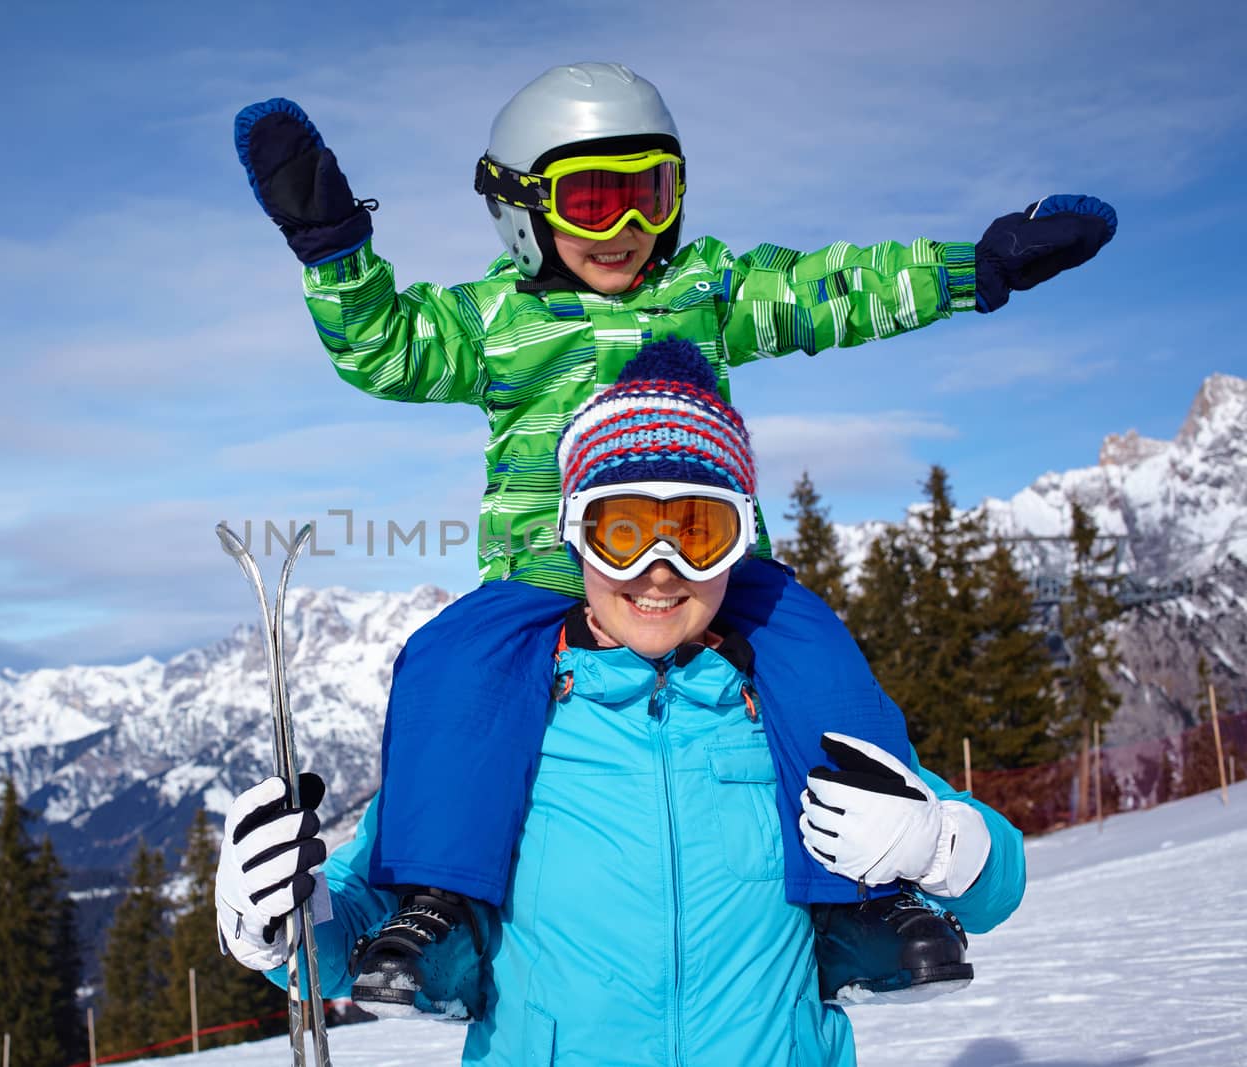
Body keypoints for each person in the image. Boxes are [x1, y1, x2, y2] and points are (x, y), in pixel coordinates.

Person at [232, 61, 1104, 1012]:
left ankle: (859, 896)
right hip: (542, 571)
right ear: (524, 207)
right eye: (592, 202)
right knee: (449, 664)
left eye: (648, 195)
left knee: (812, 649)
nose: (626, 231)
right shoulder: (489, 322)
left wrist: (972, 269)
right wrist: (333, 250)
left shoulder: (707, 288)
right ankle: (442, 905)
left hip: (712, 561)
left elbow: (831, 289)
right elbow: (387, 346)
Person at [213, 340, 1028, 1063]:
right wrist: (278, 916)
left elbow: (998, 885)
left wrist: (939, 842)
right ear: (576, 537)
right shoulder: (501, 723)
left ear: (740, 544)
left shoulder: (786, 712)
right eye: (624, 532)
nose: (661, 568)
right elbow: (355, 919)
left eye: (698, 532)